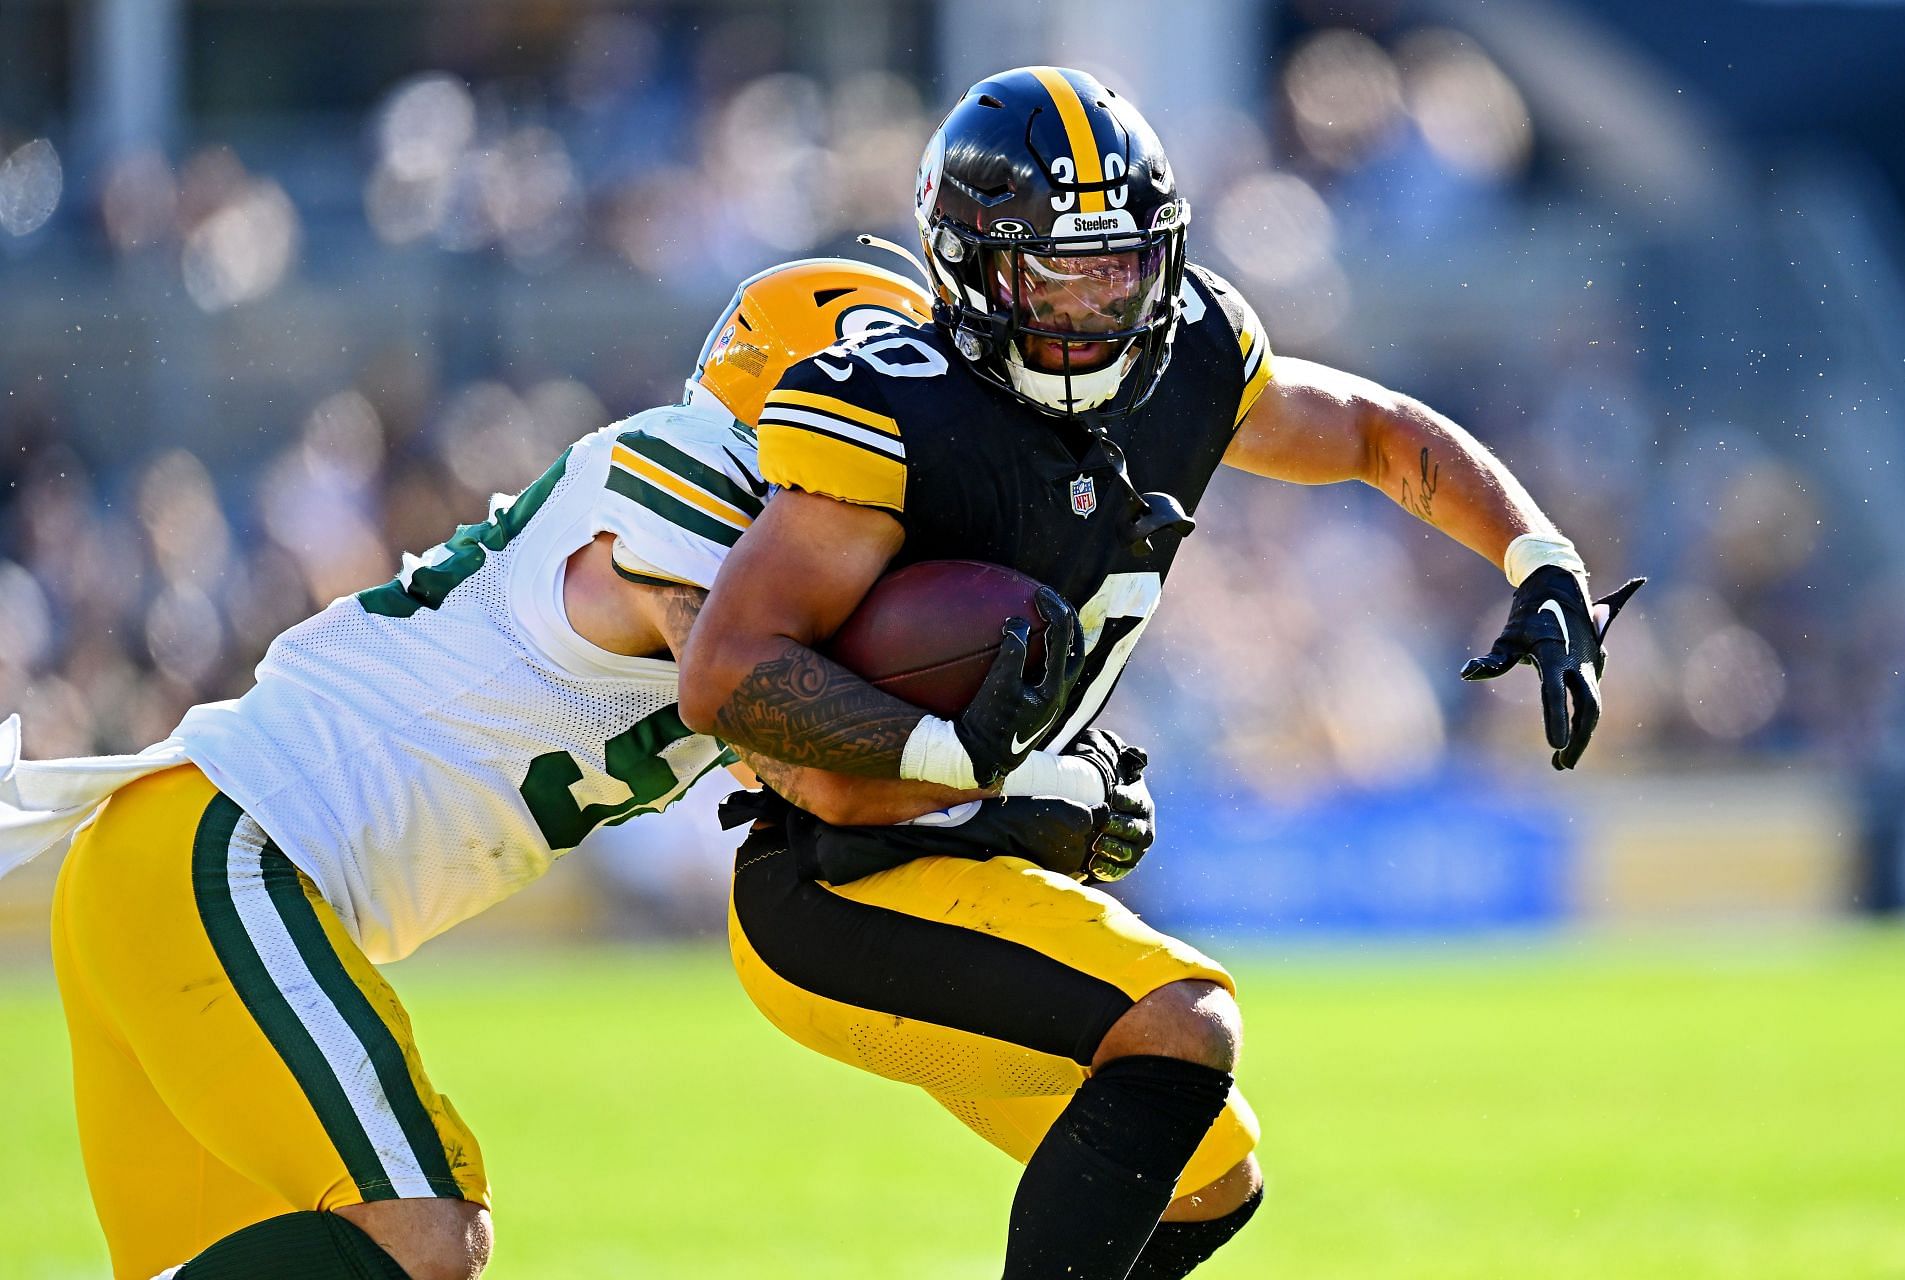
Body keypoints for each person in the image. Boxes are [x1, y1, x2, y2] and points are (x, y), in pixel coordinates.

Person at [676, 65, 1642, 1279]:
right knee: (1184, 1022)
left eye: (1122, 265)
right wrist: (987, 774)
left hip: (968, 850)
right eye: (1060, 269)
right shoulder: (897, 412)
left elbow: (1370, 432)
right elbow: (728, 676)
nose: (1096, 303)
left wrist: (1537, 553)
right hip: (837, 880)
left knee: (1203, 1177)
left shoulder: (1188, 354)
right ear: (973, 267)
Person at [0, 257, 1131, 1280]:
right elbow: (788, 743)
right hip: (222, 852)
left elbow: (829, 785)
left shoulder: (770, 562)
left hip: (162, 867)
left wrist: (1017, 789)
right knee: (425, 1230)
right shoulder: (690, 472)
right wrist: (1019, 787)